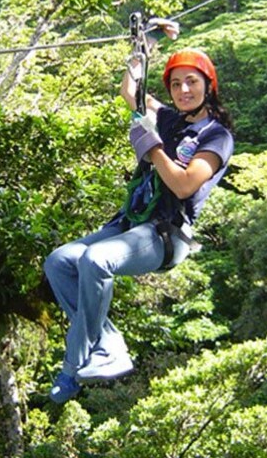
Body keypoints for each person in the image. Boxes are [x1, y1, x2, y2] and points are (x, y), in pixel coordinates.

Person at [44, 31, 235, 404]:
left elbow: (183, 186)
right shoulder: (168, 118)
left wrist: (152, 147)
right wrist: (141, 50)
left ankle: (81, 362)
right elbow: (130, 91)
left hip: (165, 234)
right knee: (59, 263)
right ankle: (107, 341)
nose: (183, 91)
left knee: (96, 260)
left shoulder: (216, 136)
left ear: (208, 87)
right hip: (130, 223)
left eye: (191, 82)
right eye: (176, 84)